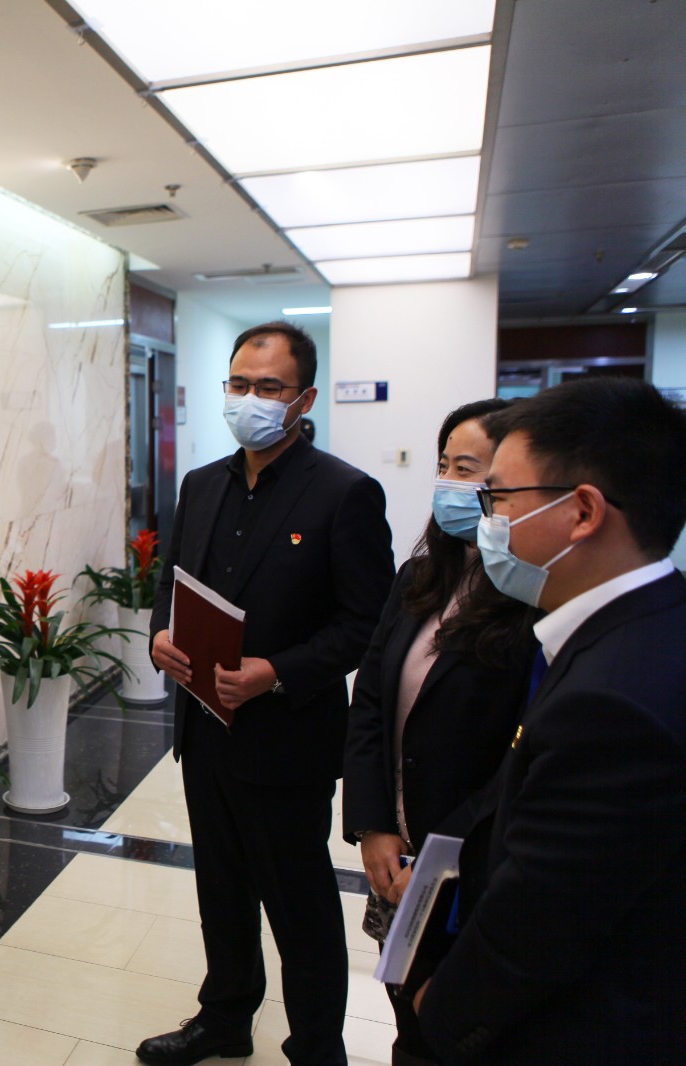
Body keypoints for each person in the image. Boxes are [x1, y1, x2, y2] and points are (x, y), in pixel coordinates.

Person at [141, 321, 394, 1066]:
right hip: (205, 731)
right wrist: (159, 635)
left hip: (288, 740)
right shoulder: (201, 484)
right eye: (239, 384)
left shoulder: (344, 493)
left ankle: (316, 1046)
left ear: (304, 399)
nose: (249, 399)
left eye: (268, 387)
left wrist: (276, 671)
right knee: (220, 891)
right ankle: (224, 1017)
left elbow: (366, 625)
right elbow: (170, 585)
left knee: (299, 905)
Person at [414, 378, 686, 1064]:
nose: (487, 518)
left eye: (500, 497)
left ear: (583, 511)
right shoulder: (647, 624)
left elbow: (543, 919)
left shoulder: (612, 703)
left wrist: (441, 1012)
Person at [341, 399, 537, 1066]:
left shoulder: (534, 599)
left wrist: (439, 855)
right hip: (395, 853)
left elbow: (518, 755)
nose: (449, 481)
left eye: (468, 469)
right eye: (444, 464)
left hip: (471, 864)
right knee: (408, 1020)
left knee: (460, 1029)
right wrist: (373, 825)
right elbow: (371, 699)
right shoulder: (419, 576)